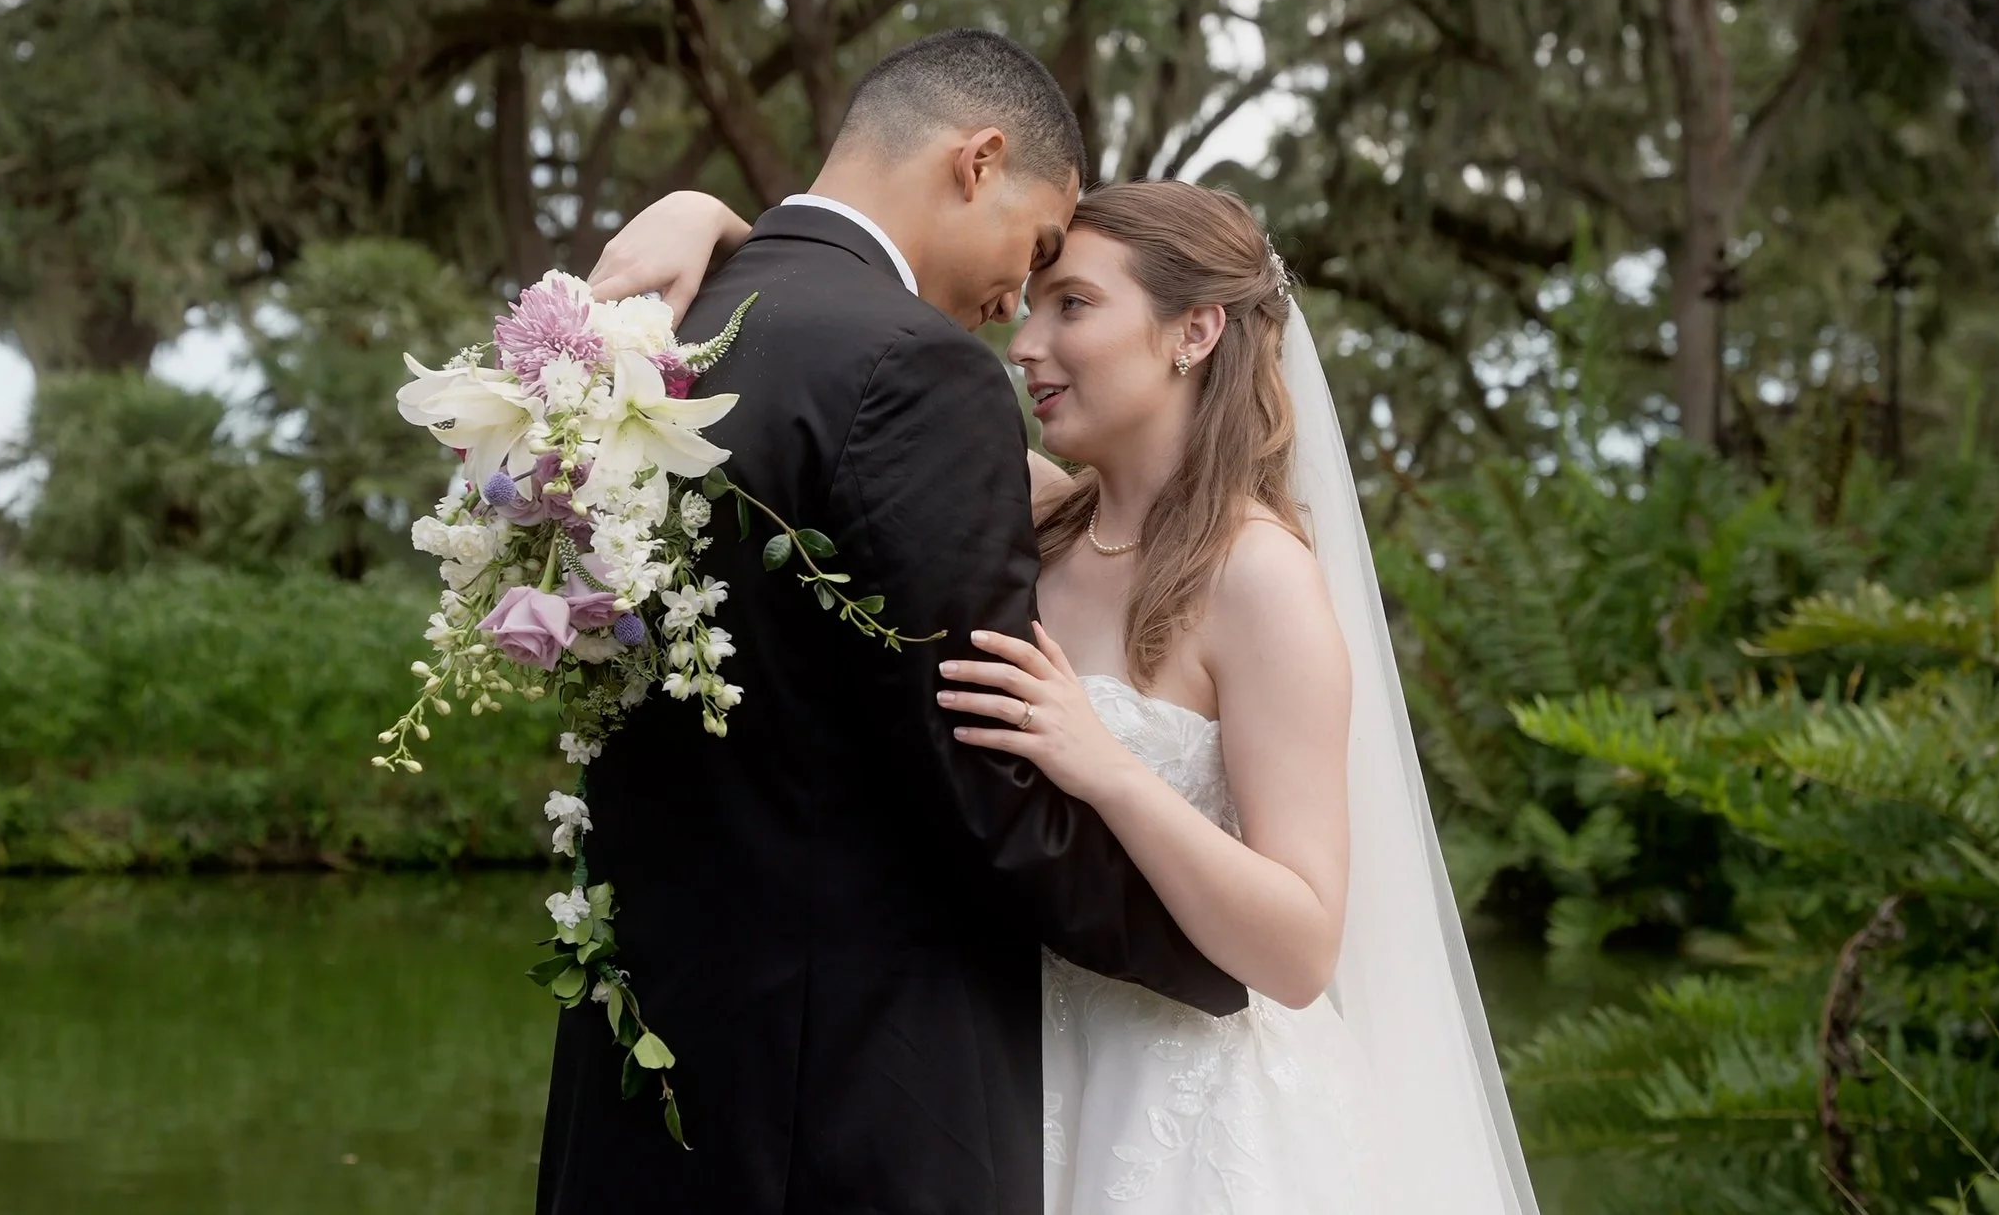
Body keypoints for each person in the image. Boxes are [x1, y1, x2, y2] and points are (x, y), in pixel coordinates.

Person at [590, 176, 1541, 1213]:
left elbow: (1302, 946)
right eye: (1031, 305)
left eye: (1073, 305)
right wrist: (710, 217)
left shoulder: (1260, 577)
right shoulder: (1035, 516)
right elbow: (835, 327)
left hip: (1187, 1109)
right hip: (1003, 1071)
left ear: (1194, 331)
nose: (1026, 344)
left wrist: (1111, 769)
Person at [534, 29, 1247, 1215]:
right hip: (847, 1110)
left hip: (638, 1079)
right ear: (979, 160)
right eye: (1036, 249)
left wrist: (717, 217)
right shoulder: (917, 370)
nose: (1014, 305)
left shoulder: (652, 332)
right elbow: (980, 776)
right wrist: (1215, 959)